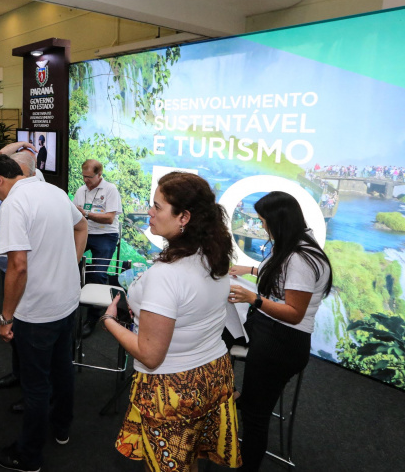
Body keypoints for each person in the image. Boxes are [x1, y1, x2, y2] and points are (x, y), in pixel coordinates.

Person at [101, 172, 241, 472]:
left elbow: (151, 355)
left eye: (157, 206)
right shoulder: (212, 255)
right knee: (189, 460)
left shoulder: (168, 275)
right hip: (212, 375)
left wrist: (110, 321)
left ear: (184, 217)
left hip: (173, 388)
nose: (149, 212)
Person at [0, 154, 87, 472]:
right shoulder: (54, 191)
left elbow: (17, 265)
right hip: (67, 301)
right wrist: (70, 263)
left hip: (37, 310)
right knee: (62, 370)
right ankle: (62, 429)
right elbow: (82, 226)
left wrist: (6, 317)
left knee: (36, 385)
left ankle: (28, 456)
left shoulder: (15, 203)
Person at [226, 191, 333, 472]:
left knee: (256, 417)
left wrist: (254, 299)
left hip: (282, 341)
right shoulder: (292, 246)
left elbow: (294, 314)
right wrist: (250, 269)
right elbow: (279, 276)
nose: (262, 227)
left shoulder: (300, 259)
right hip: (270, 332)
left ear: (278, 221)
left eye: (263, 221)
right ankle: (232, 395)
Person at [0, 150, 45, 415]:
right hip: (13, 273)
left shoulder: (40, 194)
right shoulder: (7, 200)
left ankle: (33, 394)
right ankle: (19, 375)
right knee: (20, 336)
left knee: (33, 339)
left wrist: (4, 318)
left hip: (32, 278)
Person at [73, 159, 123, 337]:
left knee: (98, 273)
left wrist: (86, 213)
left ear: (99, 174)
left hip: (106, 234)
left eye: (89, 177)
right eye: (84, 177)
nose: (86, 181)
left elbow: (109, 218)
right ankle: (70, 303)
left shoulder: (110, 190)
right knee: (68, 262)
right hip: (85, 232)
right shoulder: (81, 190)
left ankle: (93, 316)